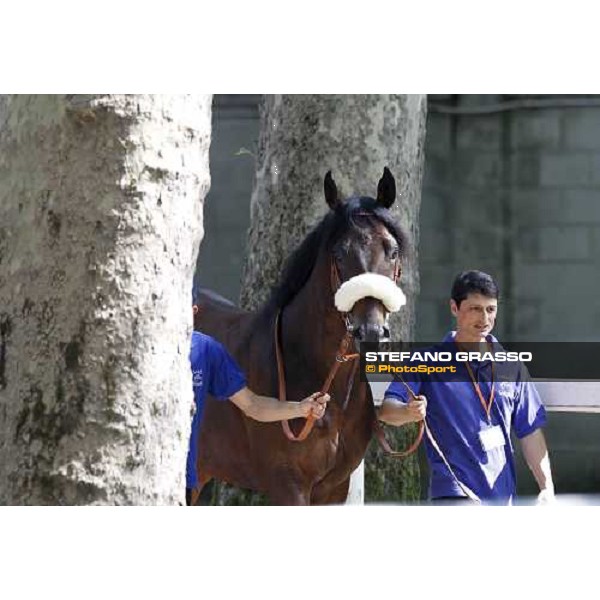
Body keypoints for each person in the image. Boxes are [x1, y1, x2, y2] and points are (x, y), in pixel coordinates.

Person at [378, 270, 555, 505]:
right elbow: (387, 411)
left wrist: (547, 488)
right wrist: (407, 412)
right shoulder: (425, 361)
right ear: (454, 308)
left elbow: (530, 432)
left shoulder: (512, 366)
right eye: (475, 308)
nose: (484, 318)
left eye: (490, 309)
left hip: (503, 499)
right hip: (453, 494)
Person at [186, 303, 330, 505]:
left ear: (193, 311)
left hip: (180, 479)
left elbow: (252, 405)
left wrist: (299, 408)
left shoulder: (205, 349)